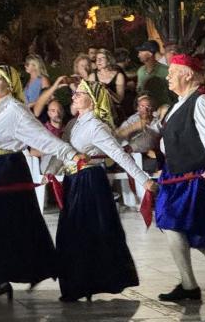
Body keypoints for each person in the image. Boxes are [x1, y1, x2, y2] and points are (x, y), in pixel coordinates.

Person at [0, 65, 81, 301]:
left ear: (10, 84)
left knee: (10, 226)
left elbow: (42, 137)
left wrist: (71, 154)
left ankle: (28, 270)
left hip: (6, 170)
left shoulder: (15, 109)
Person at [56, 80, 156, 302]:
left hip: (89, 182)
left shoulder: (96, 126)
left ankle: (86, 284)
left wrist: (144, 180)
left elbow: (119, 154)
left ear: (92, 100)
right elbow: (62, 150)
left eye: (79, 94)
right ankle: (76, 284)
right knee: (71, 233)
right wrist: (50, 172)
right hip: (73, 181)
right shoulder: (74, 123)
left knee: (85, 232)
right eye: (74, 93)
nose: (73, 97)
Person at [154, 54, 205, 302]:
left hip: (192, 177)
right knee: (189, 232)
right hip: (176, 176)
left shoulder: (201, 101)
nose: (168, 77)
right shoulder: (180, 103)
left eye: (172, 72)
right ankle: (193, 284)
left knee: (177, 225)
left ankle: (202, 283)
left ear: (188, 74)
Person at [114, 95, 163, 173]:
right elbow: (117, 135)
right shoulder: (133, 120)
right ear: (137, 108)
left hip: (155, 154)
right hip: (135, 156)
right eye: (142, 106)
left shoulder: (157, 120)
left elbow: (156, 137)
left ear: (153, 108)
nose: (145, 109)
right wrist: (133, 127)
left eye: (148, 106)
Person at [136, 40, 172, 108]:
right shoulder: (140, 71)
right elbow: (139, 90)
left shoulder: (165, 71)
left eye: (141, 52)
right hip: (147, 108)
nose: (138, 55)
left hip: (164, 106)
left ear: (150, 54)